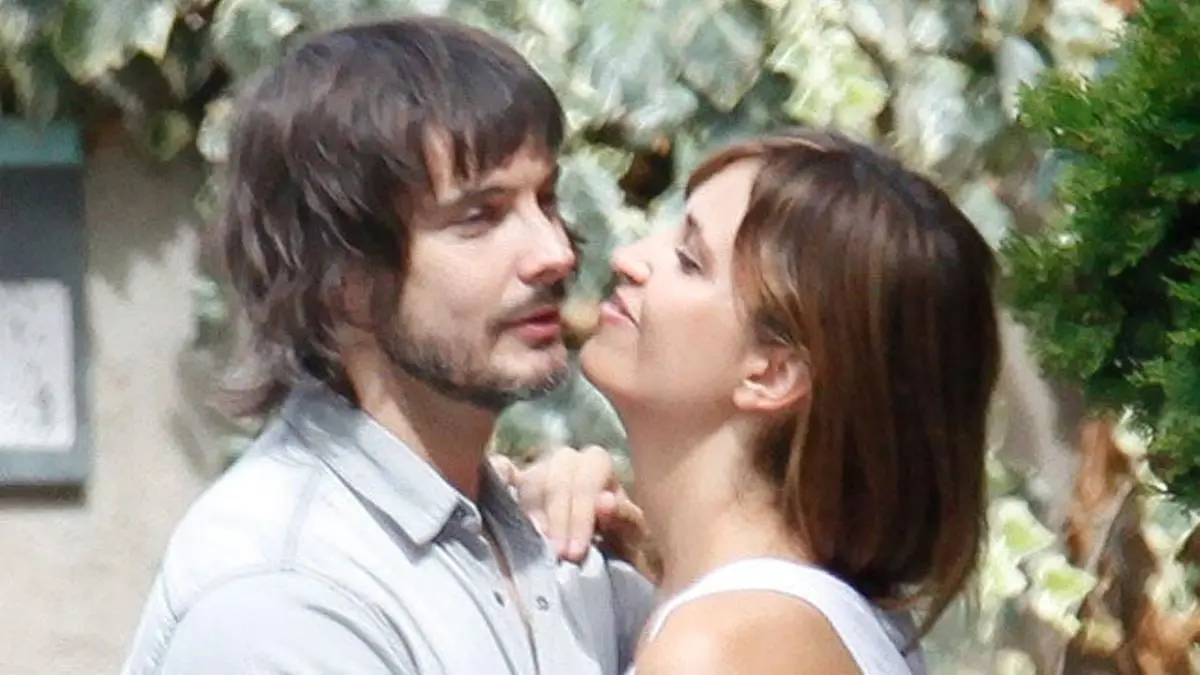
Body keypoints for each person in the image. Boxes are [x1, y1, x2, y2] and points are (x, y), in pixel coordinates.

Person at [119, 16, 653, 675]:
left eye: (544, 200)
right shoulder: (286, 596)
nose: (555, 252)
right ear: (343, 278)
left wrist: (656, 565)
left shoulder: (544, 537)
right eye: (479, 217)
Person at [520, 128, 1001, 674]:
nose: (628, 257)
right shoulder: (789, 619)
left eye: (689, 260)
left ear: (773, 374)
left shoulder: (721, 648)